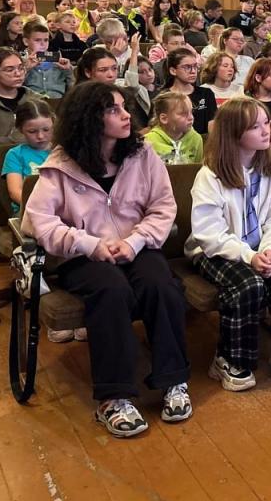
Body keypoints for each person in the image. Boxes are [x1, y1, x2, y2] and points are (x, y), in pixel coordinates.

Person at [22, 81, 190, 437]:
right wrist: (89, 244)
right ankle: (114, 397)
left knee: (161, 284)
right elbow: (39, 222)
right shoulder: (60, 165)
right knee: (112, 291)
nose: (127, 115)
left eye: (124, 107)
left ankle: (173, 379)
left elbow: (163, 206)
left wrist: (135, 241)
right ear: (89, 119)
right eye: (113, 110)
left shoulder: (142, 154)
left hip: (136, 245)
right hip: (83, 255)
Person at [186, 97, 271, 391]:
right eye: (255, 127)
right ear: (233, 133)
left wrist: (270, 250)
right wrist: (249, 256)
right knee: (248, 284)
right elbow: (209, 234)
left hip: (259, 247)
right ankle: (229, 359)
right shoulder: (210, 175)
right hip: (214, 250)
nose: (266, 131)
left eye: (266, 122)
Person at [2, 100, 54, 215]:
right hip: (29, 210)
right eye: (32, 131)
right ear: (21, 130)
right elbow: (15, 192)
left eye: (46, 129)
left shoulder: (62, 151)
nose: (40, 136)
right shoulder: (15, 154)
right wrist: (41, 210)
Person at [163, 49, 218, 135]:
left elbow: (213, 125)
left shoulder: (206, 93)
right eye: (187, 67)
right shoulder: (164, 97)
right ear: (173, 71)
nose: (193, 71)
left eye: (195, 66)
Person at [144, 91, 203, 165]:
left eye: (191, 112)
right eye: (183, 113)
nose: (191, 117)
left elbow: (197, 168)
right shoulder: (148, 142)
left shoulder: (196, 139)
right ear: (164, 119)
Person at [21, 20, 73, 98]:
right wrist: (26, 69)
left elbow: (73, 90)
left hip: (57, 101)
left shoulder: (58, 61)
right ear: (26, 41)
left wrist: (68, 71)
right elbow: (13, 89)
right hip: (32, 102)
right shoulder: (19, 62)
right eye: (37, 40)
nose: (43, 44)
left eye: (46, 40)